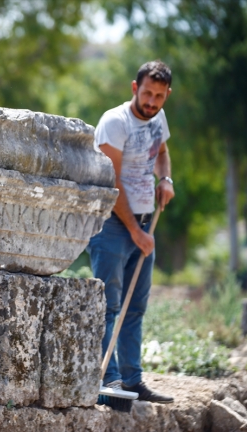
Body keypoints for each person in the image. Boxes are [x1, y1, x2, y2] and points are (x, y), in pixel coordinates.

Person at [87, 60, 175, 403]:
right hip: (111, 223)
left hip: (144, 223)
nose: (152, 102)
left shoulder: (158, 118)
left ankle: (133, 381)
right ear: (134, 88)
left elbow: (163, 153)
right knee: (110, 305)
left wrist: (165, 179)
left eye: (159, 96)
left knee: (134, 307)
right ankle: (109, 385)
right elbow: (112, 184)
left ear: (167, 95)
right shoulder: (115, 123)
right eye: (147, 93)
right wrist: (135, 233)